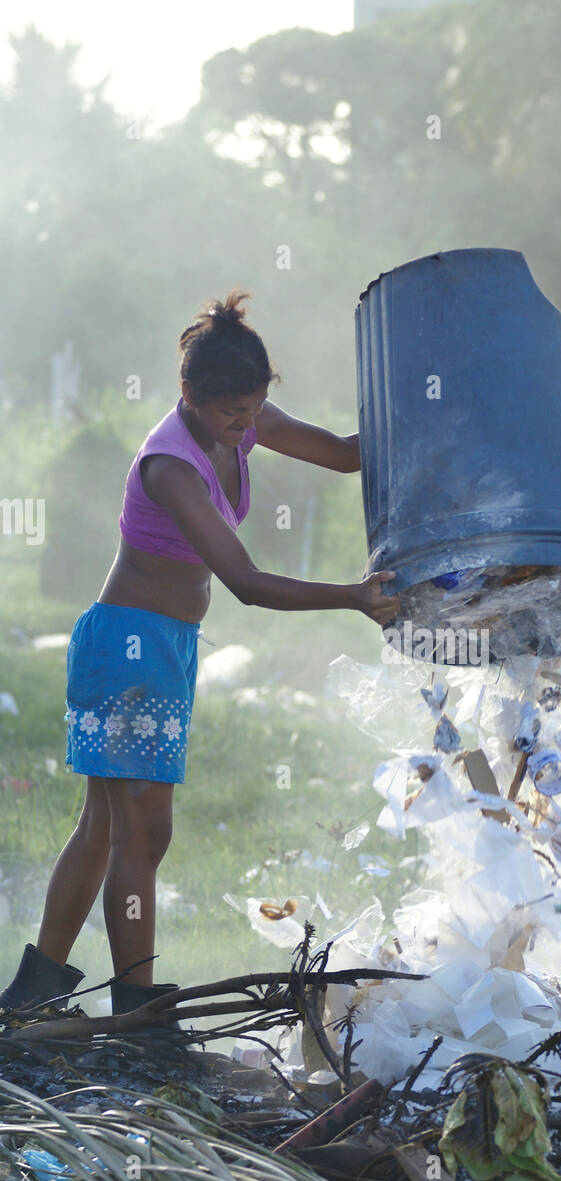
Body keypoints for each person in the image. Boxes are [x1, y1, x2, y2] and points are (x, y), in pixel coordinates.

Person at [0, 290, 399, 1020]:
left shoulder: (239, 419)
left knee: (104, 828)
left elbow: (344, 456)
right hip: (128, 649)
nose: (245, 428)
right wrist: (354, 596)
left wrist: (432, 413)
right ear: (188, 393)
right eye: (231, 416)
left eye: (253, 412)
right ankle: (137, 1008)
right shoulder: (170, 467)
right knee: (143, 832)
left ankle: (35, 991)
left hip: (165, 646)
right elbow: (244, 581)